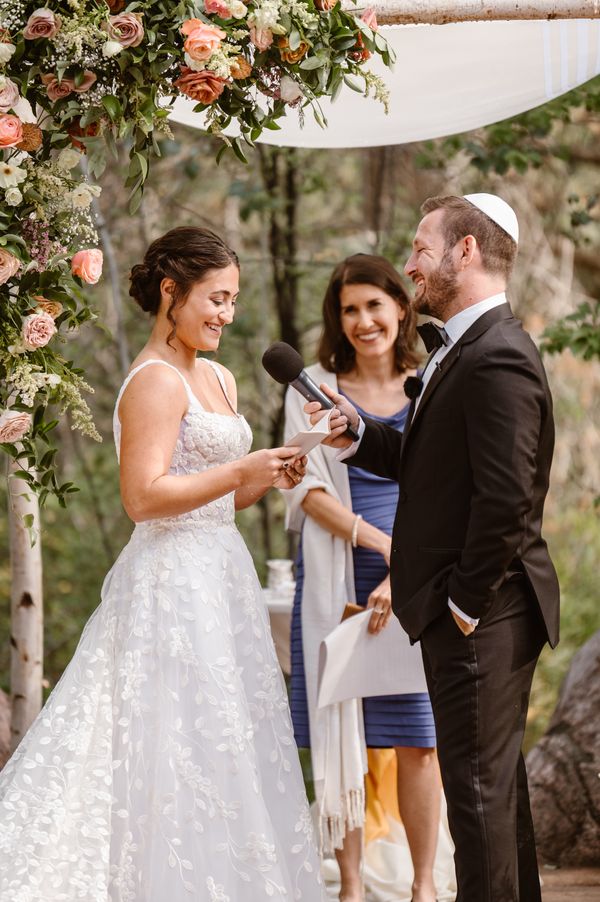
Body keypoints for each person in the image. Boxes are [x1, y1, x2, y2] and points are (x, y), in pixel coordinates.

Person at [0, 227, 326, 901]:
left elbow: (226, 494)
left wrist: (277, 467)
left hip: (221, 575)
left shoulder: (221, 376)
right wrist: (242, 464)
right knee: (171, 741)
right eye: (215, 298)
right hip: (170, 583)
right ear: (171, 293)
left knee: (226, 744)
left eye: (233, 300)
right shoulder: (152, 380)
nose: (226, 315)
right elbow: (143, 499)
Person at [307, 195, 560, 902]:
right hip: (476, 613)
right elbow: (433, 466)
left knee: (477, 805)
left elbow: (507, 500)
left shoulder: (498, 355)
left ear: (466, 252)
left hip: (486, 614)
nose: (411, 262)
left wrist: (462, 605)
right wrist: (359, 434)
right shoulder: (467, 347)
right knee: (495, 801)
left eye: (422, 248)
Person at [284, 254, 441, 902]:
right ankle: (349, 887)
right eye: (350, 309)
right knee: (339, 724)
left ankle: (425, 887)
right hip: (339, 570)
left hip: (425, 571)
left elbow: (451, 485)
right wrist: (382, 545)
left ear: (401, 308)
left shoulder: (432, 380)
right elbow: (303, 490)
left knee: (418, 736)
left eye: (375, 305)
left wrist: (410, 569)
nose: (363, 320)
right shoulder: (312, 385)